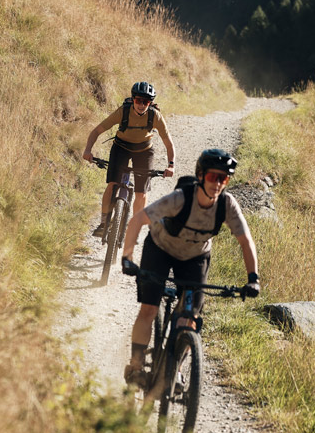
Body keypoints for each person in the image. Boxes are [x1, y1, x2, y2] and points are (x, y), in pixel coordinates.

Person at [119, 147, 260, 387]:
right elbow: (138, 219)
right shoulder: (181, 198)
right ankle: (136, 365)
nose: (218, 184)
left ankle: (177, 371)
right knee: (149, 309)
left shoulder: (227, 204)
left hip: (195, 257)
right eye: (213, 176)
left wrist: (253, 278)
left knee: (189, 317)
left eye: (223, 178)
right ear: (201, 175)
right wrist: (127, 257)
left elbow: (245, 241)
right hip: (160, 249)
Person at [83, 80, 176, 236]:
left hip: (144, 150)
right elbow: (96, 131)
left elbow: (168, 143)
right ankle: (104, 223)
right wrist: (87, 150)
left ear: (150, 103)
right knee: (113, 183)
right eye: (138, 100)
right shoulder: (123, 112)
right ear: (133, 99)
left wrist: (171, 165)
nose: (141, 104)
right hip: (121, 148)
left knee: (141, 192)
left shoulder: (155, 116)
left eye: (145, 101)